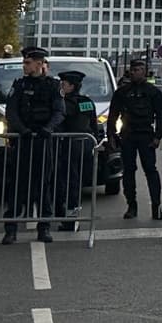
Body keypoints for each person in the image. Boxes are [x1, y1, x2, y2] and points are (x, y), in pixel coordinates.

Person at [0, 47, 64, 245]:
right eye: (24, 62)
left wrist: (49, 128)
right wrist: (22, 130)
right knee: (18, 184)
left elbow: (59, 111)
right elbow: (11, 111)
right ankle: (11, 229)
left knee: (43, 185)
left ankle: (44, 227)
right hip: (24, 141)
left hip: (44, 142)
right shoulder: (19, 85)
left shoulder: (53, 86)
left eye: (28, 63)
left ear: (39, 64)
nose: (24, 66)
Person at [108, 57, 162, 220]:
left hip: (146, 136)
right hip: (127, 135)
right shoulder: (122, 92)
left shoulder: (153, 92)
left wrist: (158, 137)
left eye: (139, 70)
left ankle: (156, 206)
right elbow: (113, 115)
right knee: (128, 171)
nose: (135, 73)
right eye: (133, 70)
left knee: (151, 170)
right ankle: (131, 205)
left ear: (145, 72)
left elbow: (160, 116)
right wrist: (111, 135)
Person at [54, 68, 100, 231]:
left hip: (67, 146)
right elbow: (93, 124)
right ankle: (71, 216)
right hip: (85, 145)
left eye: (63, 84)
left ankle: (67, 218)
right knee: (75, 182)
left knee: (65, 181)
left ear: (71, 86)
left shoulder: (64, 103)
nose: (61, 86)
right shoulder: (86, 102)